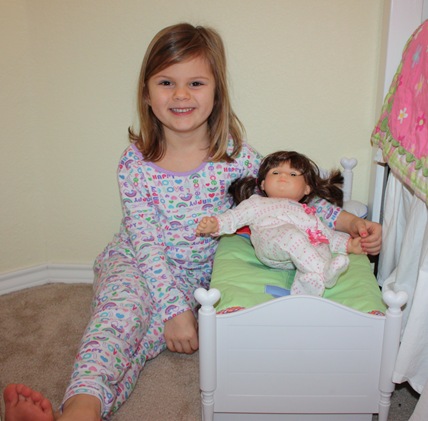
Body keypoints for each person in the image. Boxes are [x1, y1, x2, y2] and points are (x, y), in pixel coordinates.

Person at [3, 23, 382, 421]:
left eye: (196, 83)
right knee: (119, 322)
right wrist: (174, 310)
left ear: (216, 93)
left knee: (146, 342)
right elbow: (145, 242)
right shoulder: (135, 163)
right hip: (136, 263)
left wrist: (350, 222)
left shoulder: (236, 158)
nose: (181, 94)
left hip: (196, 279)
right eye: (166, 82)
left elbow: (288, 203)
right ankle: (80, 407)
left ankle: (85, 410)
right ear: (146, 94)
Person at [196, 150, 365, 296]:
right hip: (272, 242)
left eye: (293, 174)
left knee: (320, 245)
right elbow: (235, 216)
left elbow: (325, 233)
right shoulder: (257, 203)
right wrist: (216, 224)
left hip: (299, 255)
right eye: (275, 172)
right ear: (263, 184)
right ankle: (324, 272)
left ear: (307, 189)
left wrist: (349, 244)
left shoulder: (307, 211)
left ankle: (306, 286)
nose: (283, 176)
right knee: (292, 235)